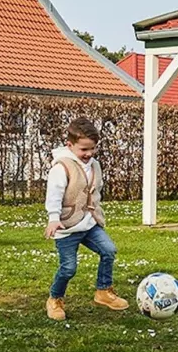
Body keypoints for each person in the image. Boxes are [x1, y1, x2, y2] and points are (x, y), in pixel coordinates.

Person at [43, 118, 129, 321]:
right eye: (84, 149)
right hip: (67, 226)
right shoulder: (61, 168)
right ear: (70, 145)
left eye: (93, 148)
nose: (89, 153)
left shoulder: (94, 165)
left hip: (89, 224)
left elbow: (93, 191)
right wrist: (53, 218)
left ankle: (103, 291)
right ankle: (55, 299)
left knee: (108, 250)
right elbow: (54, 194)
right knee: (68, 268)